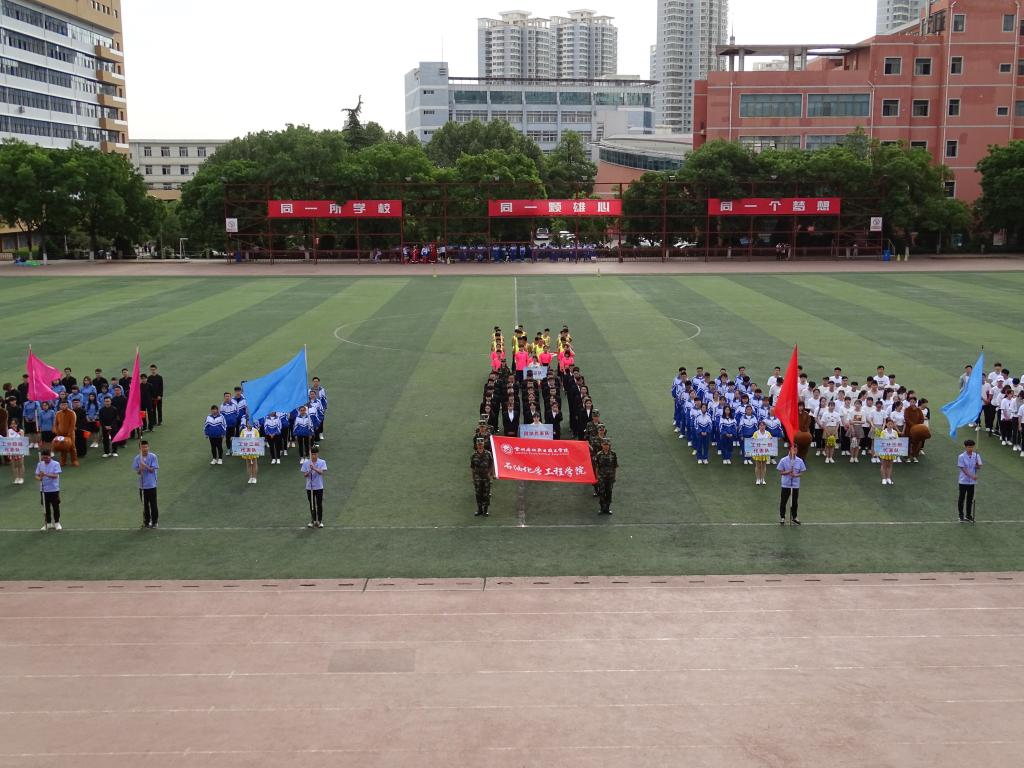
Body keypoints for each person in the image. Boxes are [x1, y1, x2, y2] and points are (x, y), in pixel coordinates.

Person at [133, 440, 159, 529]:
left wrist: (145, 466)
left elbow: (152, 470)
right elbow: (138, 472)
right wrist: (140, 469)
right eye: (143, 447)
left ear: (148, 447)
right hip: (142, 486)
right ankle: (146, 522)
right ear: (140, 448)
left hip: (151, 485)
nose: (145, 449)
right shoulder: (137, 458)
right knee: (145, 505)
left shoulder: (153, 456)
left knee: (153, 504)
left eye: (146, 447)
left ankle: (155, 522)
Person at [777, 444, 806, 526]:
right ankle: (782, 517)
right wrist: (788, 472)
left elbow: (802, 472)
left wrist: (795, 475)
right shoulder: (783, 460)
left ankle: (794, 517)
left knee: (794, 502)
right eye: (793, 450)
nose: (795, 452)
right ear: (789, 450)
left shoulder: (800, 461)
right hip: (786, 485)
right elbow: (781, 472)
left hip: (795, 485)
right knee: (783, 502)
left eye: (796, 450)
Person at [35, 449, 63, 531]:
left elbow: (55, 476)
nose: (45, 459)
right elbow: (36, 476)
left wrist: (45, 474)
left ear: (50, 456)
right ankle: (48, 523)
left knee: (55, 506)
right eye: (44, 458)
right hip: (43, 490)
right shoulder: (40, 464)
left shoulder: (56, 464)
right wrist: (39, 478)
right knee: (45, 507)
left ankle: (57, 522)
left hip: (54, 489)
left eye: (47, 458)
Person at [301, 445, 327, 528]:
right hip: (310, 487)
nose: (313, 456)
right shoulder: (306, 463)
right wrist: (309, 470)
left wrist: (314, 468)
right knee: (312, 504)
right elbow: (305, 475)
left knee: (319, 504)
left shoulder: (322, 462)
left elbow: (321, 472)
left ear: (317, 454)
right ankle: (313, 520)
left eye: (315, 454)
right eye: (312, 454)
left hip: (319, 487)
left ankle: (319, 521)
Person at [957, 439, 981, 522]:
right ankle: (961, 515)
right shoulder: (961, 456)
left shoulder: (976, 455)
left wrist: (977, 464)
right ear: (965, 447)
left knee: (970, 499)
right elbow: (963, 469)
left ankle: (968, 515)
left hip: (972, 482)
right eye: (969, 447)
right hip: (963, 481)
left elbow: (979, 467)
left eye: (972, 447)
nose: (970, 448)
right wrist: (972, 476)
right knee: (961, 498)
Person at [470, 437, 494, 517]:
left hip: (486, 477)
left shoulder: (488, 454)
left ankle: (485, 511)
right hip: (477, 478)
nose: (480, 445)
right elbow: (472, 468)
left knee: (486, 494)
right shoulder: (473, 455)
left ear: (483, 445)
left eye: (481, 444)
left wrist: (491, 475)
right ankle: (479, 509)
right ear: (476, 445)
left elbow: (491, 465)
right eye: (478, 444)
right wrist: (473, 478)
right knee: (478, 494)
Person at [594, 438, 618, 515]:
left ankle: (607, 508)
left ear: (609, 445)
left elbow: (615, 466)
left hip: (610, 477)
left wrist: (614, 477)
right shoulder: (599, 454)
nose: (606, 446)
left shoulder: (613, 454)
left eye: (607, 445)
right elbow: (597, 467)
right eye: (604, 444)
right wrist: (597, 477)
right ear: (602, 445)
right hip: (601, 477)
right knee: (601, 492)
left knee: (609, 492)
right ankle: (602, 508)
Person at [238, 419, 261, 484]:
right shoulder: (243, 431)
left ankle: (254, 477)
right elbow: (241, 439)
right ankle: (250, 477)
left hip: (254, 449)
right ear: (246, 424)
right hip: (246, 449)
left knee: (254, 463)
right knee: (248, 464)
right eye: (248, 423)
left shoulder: (255, 430)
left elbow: (258, 439)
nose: (249, 424)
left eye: (250, 423)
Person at [878, 418, 899, 486]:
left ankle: (888, 478)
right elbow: (881, 441)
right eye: (889, 424)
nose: (890, 425)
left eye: (891, 424)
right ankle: (884, 478)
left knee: (890, 465)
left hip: (892, 451)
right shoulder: (883, 432)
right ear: (886, 424)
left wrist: (894, 440)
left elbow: (897, 441)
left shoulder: (895, 432)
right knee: (884, 465)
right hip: (884, 451)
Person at [751, 420, 772, 486]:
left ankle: (763, 479)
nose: (762, 427)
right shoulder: (756, 433)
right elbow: (753, 442)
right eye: (760, 425)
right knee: (758, 466)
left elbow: (771, 441)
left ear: (765, 426)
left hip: (765, 451)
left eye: (763, 425)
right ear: (758, 426)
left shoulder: (768, 433)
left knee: (764, 466)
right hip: (758, 451)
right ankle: (758, 479)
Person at [7, 418, 25, 485]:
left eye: (15, 423)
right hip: (12, 450)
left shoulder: (21, 431)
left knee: (20, 464)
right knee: (14, 465)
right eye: (12, 424)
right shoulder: (9, 431)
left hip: (19, 450)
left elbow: (23, 441)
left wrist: (19, 434)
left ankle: (21, 478)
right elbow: (7, 440)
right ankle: (16, 478)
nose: (13, 425)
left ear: (17, 424)